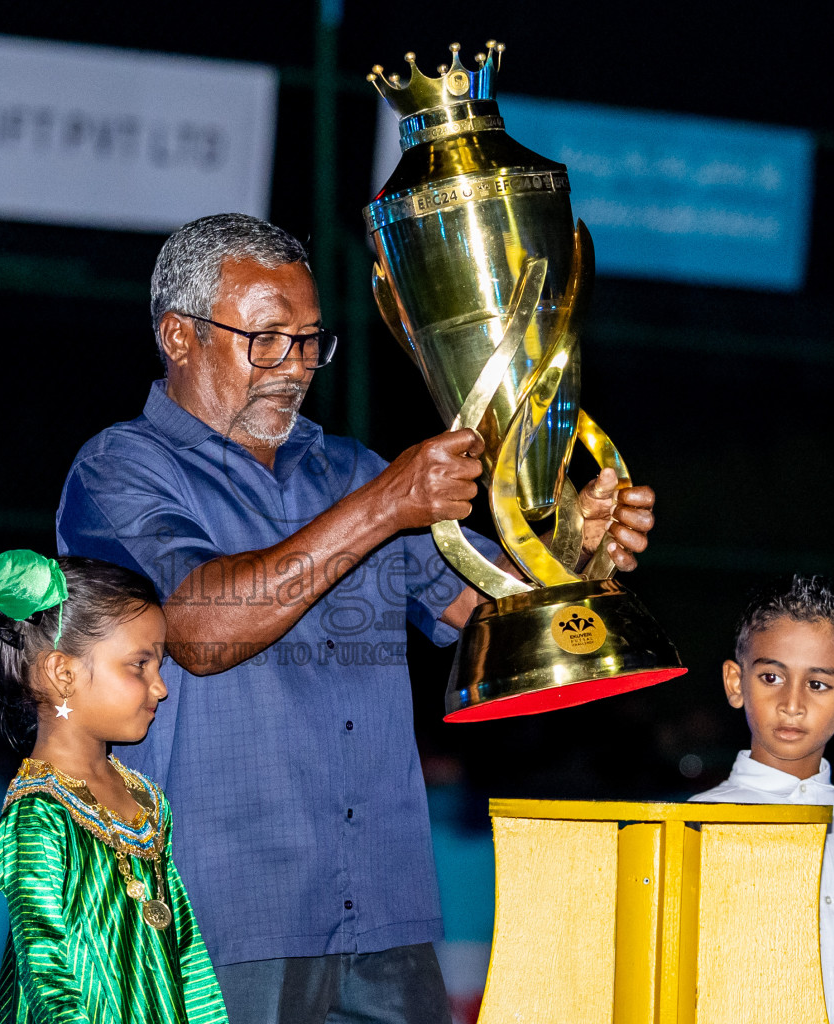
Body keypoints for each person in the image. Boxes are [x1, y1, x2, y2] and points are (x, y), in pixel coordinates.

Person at [57, 213, 658, 1023]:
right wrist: (385, 506)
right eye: (266, 339)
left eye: (311, 341)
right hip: (222, 914)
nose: (296, 367)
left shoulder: (347, 468)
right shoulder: (121, 467)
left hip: (382, 905)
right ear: (180, 335)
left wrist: (571, 551)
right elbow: (196, 630)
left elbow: (486, 601)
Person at [0, 549, 227, 1024]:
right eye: (140, 665)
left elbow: (186, 956)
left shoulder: (146, 799)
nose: (159, 687)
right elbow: (46, 976)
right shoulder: (37, 818)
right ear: (63, 673)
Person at [693, 575, 834, 1024]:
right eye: (771, 677)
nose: (791, 703)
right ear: (736, 682)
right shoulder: (698, 822)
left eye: (819, 684)